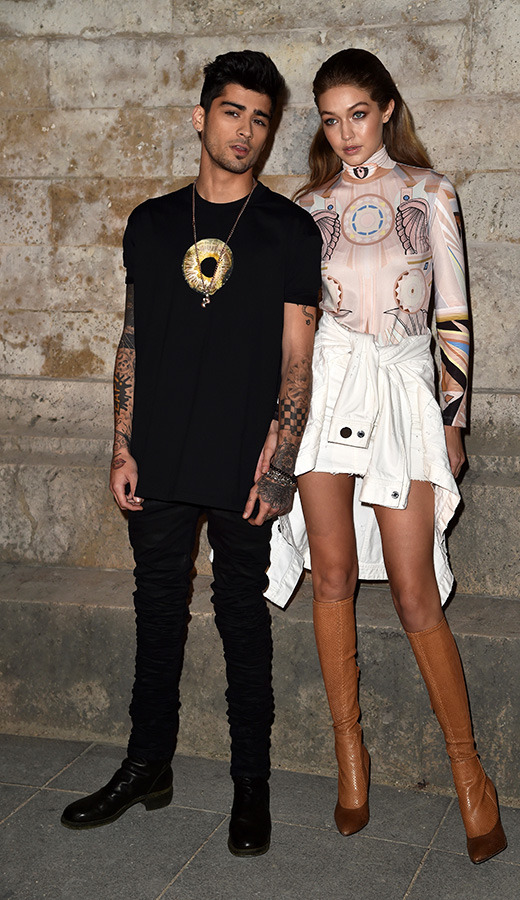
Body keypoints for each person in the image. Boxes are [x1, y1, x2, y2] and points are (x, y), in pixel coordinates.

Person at [60, 50, 322, 858]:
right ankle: (147, 766)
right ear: (201, 117)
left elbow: (298, 359)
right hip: (159, 454)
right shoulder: (151, 223)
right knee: (156, 613)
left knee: (243, 619)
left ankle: (251, 785)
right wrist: (120, 445)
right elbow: (132, 337)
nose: (245, 130)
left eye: (260, 119)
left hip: (244, 462)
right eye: (231, 112)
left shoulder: (288, 230)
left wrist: (279, 463)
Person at [286, 48, 506, 864]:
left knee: (414, 593)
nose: (345, 132)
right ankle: (349, 757)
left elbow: (452, 316)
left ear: (384, 108)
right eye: (330, 119)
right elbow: (296, 325)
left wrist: (452, 421)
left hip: (405, 395)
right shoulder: (304, 208)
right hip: (328, 397)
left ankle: (468, 774)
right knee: (332, 577)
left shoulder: (430, 191)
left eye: (357, 114)